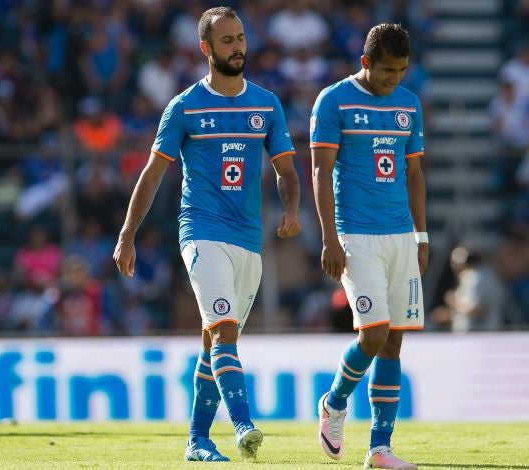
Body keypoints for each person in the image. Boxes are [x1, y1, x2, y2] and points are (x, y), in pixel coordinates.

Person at [113, 6, 301, 462]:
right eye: (227, 40)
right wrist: (127, 234)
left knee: (213, 339)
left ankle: (197, 440)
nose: (238, 47)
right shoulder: (184, 107)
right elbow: (153, 174)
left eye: (240, 38)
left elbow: (287, 170)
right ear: (206, 48)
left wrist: (292, 206)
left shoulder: (266, 104)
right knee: (224, 329)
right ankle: (243, 425)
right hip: (200, 232)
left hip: (248, 241)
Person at [310, 23, 427, 470]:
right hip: (356, 234)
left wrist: (421, 236)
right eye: (385, 71)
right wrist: (328, 237)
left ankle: (380, 448)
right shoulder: (333, 101)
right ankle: (334, 402)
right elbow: (321, 172)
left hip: (400, 234)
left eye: (399, 71)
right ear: (365, 62)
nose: (392, 79)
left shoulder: (409, 104)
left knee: (394, 343)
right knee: (373, 335)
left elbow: (415, 175)